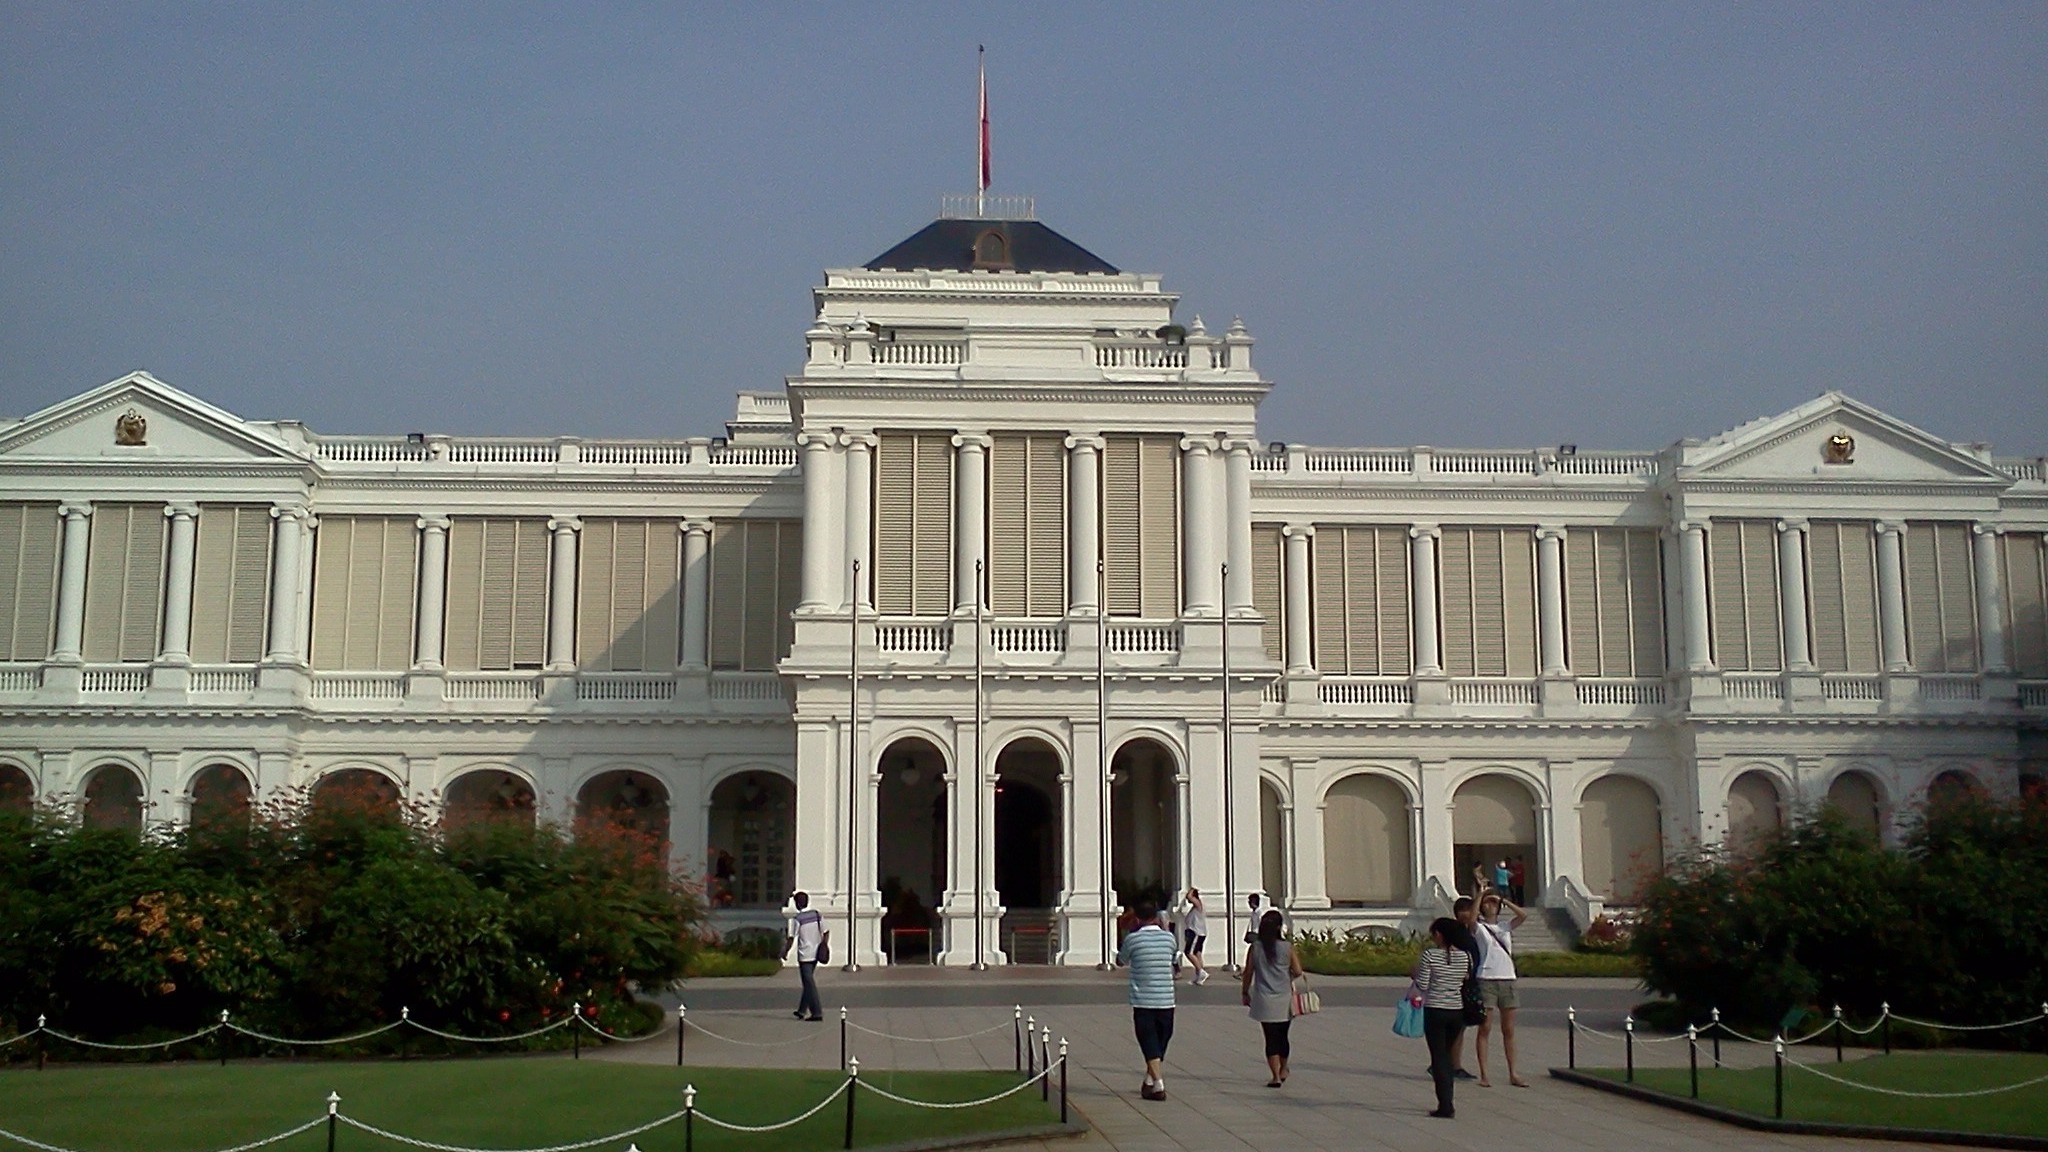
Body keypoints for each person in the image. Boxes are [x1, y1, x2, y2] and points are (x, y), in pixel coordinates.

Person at [1115, 895, 1181, 1101]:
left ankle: (1154, 1081)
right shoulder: (1169, 938)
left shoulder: (1133, 939)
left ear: (1137, 918)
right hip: (1166, 999)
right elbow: (1173, 959)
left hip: (1143, 999)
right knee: (1160, 1041)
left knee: (1149, 1041)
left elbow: (1121, 960)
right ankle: (1154, 1081)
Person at [1413, 916, 1476, 1119]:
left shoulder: (1430, 955)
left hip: (1435, 1009)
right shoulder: (1465, 956)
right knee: (1447, 1055)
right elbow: (1465, 979)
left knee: (1438, 1057)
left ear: (1439, 935)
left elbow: (1423, 984)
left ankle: (1445, 1103)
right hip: (1456, 1010)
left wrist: (1414, 974)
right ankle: (1448, 1098)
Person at [1240, 909, 1303, 1087]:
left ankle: (1275, 1075)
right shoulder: (1287, 947)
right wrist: (1286, 976)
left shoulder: (1256, 948)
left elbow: (1248, 972)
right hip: (1284, 998)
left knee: (1270, 1037)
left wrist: (1245, 992)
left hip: (1263, 998)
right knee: (1283, 1036)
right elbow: (1298, 971)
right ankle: (1284, 1068)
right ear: (1279, 927)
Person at [1473, 889, 1530, 1087]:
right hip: (1486, 978)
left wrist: (1504, 900)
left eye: (1494, 903)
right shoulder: (1480, 928)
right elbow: (1471, 919)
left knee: (1509, 1029)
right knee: (1485, 1027)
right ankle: (1484, 1074)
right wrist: (1480, 896)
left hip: (1507, 978)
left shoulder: (1505, 927)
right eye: (1488, 903)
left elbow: (1523, 916)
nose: (1491, 906)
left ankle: (1513, 1072)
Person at [1440, 895, 1481, 1081]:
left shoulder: (1472, 931)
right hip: (1459, 983)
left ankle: (1446, 1063)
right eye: (1463, 910)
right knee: (1457, 1027)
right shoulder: (1456, 931)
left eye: (1469, 909)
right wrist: (1480, 893)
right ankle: (1452, 1065)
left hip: (1470, 981)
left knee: (1460, 1027)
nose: (1467, 914)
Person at [783, 891, 826, 1022]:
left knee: (808, 983)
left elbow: (791, 938)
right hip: (816, 952)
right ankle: (802, 1010)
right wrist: (823, 945)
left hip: (805, 954)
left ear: (797, 904)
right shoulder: (817, 915)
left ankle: (817, 1012)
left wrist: (785, 952)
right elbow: (825, 931)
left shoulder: (797, 919)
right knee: (808, 982)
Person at [1177, 887, 1211, 986]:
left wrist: (1191, 890)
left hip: (1196, 932)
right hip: (1197, 932)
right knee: (1197, 953)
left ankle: (1201, 972)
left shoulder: (1198, 904)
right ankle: (1199, 975)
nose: (1187, 899)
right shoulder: (1195, 907)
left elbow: (1189, 896)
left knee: (1188, 952)